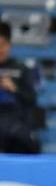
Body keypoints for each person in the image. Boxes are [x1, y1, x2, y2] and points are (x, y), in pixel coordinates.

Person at [0, 20, 40, 153]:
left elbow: (32, 99)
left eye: (2, 45)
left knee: (22, 139)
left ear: (9, 45)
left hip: (15, 124)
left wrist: (15, 88)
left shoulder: (22, 69)